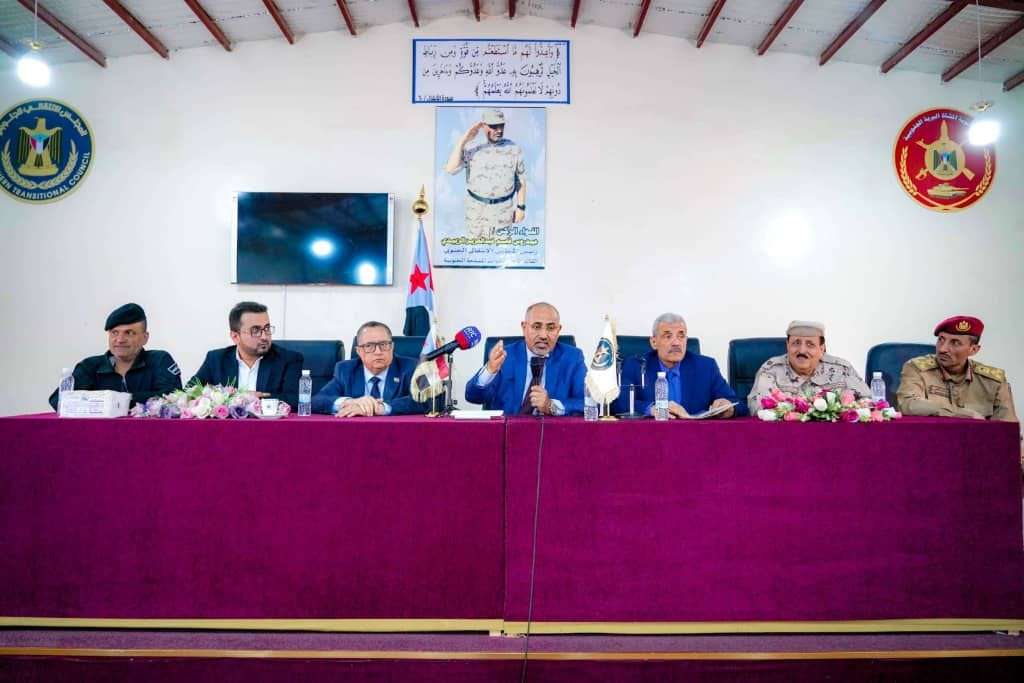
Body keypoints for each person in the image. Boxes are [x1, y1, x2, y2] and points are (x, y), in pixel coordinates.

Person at [48, 303, 181, 410]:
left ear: (145, 337)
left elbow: (174, 397)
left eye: (129, 333)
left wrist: (118, 400)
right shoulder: (90, 366)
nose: (120, 340)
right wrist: (110, 401)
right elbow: (58, 401)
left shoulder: (159, 360)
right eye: (114, 333)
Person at [613, 313, 744, 418]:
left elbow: (739, 404)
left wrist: (729, 407)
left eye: (681, 336)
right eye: (668, 336)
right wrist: (651, 408)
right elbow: (618, 403)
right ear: (654, 342)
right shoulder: (635, 365)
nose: (676, 343)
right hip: (651, 436)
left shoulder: (706, 367)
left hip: (694, 437)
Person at [466, 302, 586, 415]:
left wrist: (551, 406)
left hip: (551, 429)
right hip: (508, 429)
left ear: (558, 330)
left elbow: (588, 404)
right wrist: (490, 370)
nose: (543, 335)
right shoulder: (505, 356)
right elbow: (473, 397)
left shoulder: (573, 358)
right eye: (536, 327)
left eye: (551, 328)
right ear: (524, 327)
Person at [897, 315, 1017, 421]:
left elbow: (1008, 429)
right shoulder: (917, 369)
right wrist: (957, 414)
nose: (942, 349)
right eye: (941, 339)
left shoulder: (993, 382)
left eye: (955, 343)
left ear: (973, 350)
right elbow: (908, 404)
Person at [189, 301, 303, 408]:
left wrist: (253, 398)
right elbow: (190, 392)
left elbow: (294, 400)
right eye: (255, 330)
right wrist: (225, 396)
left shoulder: (288, 360)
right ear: (235, 337)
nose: (264, 336)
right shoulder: (216, 359)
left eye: (267, 328)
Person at [747, 320, 870, 415]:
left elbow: (868, 402)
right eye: (796, 343)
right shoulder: (771, 370)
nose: (802, 350)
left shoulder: (842, 369)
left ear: (822, 349)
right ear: (787, 345)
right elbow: (758, 408)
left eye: (810, 344)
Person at [312, 321, 426, 416]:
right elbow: (317, 400)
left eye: (384, 344)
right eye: (369, 346)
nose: (378, 352)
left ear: (392, 347)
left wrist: (381, 408)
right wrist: (350, 402)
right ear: (359, 351)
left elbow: (426, 400)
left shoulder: (413, 368)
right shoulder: (346, 370)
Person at [444, 108, 526, 238]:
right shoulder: (472, 147)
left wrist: (521, 207)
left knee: (502, 249)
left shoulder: (513, 149)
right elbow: (451, 169)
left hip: (503, 214)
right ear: (483, 126)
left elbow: (520, 179)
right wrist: (464, 140)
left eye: (501, 125)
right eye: (494, 126)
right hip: (476, 216)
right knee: (476, 249)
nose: (499, 130)